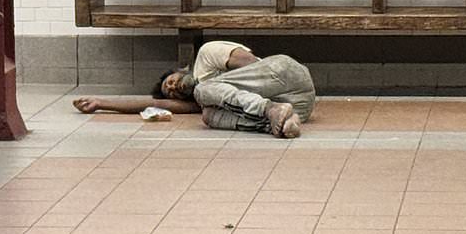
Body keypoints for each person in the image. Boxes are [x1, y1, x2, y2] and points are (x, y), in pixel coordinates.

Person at [72, 40, 315, 139]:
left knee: (204, 92)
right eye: (173, 93)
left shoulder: (206, 56)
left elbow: (257, 66)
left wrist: (210, 86)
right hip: (298, 106)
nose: (175, 88)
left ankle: (268, 110)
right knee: (209, 116)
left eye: (172, 81)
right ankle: (284, 122)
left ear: (181, 69)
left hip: (286, 74)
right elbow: (157, 105)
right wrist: (101, 103)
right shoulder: (204, 97)